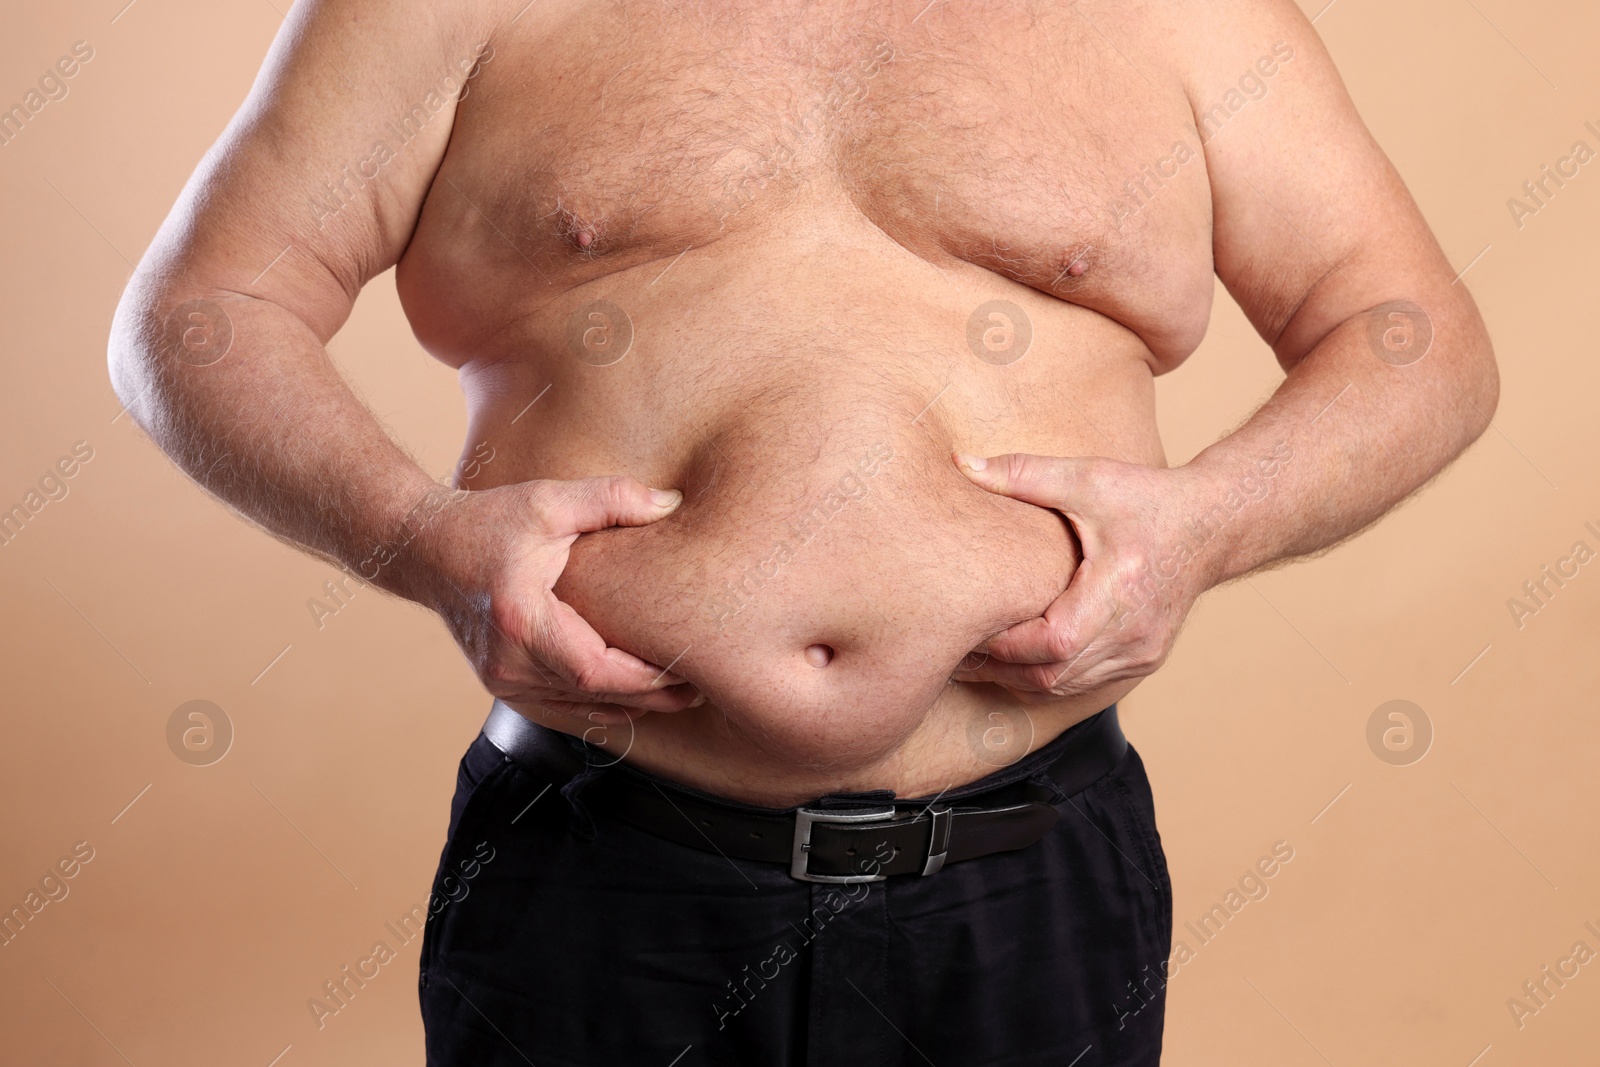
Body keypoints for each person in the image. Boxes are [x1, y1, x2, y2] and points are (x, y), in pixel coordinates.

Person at [107, 0, 1497, 1062]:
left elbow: (1415, 340)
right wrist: (422, 541)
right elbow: (200, 313)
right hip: (603, 858)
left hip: (1024, 867)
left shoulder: (1181, 16)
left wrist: (1205, 527)